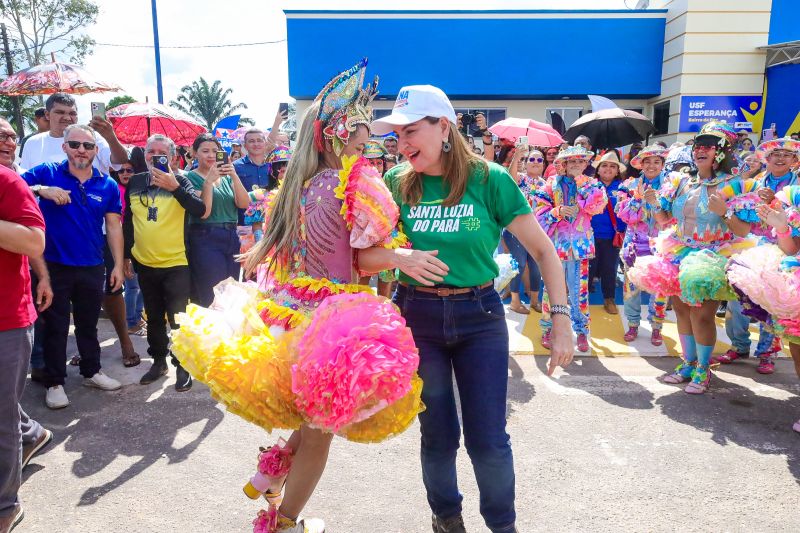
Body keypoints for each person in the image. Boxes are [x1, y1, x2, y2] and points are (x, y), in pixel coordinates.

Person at [174, 59, 427, 533]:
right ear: (336, 137)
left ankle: (268, 475)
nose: (367, 145)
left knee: (315, 415)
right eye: (360, 136)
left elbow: (284, 253)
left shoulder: (297, 186)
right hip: (333, 323)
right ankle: (286, 522)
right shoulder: (356, 181)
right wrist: (401, 259)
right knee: (321, 430)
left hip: (289, 315)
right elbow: (365, 258)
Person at [370, 84, 574, 533]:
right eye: (396, 135)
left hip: (480, 317)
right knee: (438, 437)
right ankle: (447, 518)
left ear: (443, 127)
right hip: (416, 319)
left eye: (410, 132)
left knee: (488, 441)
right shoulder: (394, 183)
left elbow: (544, 251)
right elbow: (364, 256)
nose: (400, 144)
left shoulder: (489, 179)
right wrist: (393, 263)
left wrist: (561, 320)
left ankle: (502, 526)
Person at [628, 121, 756, 394]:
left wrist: (724, 212)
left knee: (702, 316)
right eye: (698, 145)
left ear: (722, 151)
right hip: (679, 251)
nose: (701, 150)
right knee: (682, 312)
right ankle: (688, 362)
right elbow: (666, 221)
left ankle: (703, 368)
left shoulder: (735, 185)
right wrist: (653, 203)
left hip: (711, 257)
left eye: (709, 146)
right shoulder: (681, 181)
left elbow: (744, 230)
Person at [22, 124, 124, 409]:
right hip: (54, 265)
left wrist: (116, 264)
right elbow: (12, 185)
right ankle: (55, 382)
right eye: (76, 144)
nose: (82, 150)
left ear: (95, 151)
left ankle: (92, 371)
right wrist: (41, 189)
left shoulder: (107, 184)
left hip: (92, 265)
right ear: (65, 147)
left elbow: (114, 226)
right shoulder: (46, 172)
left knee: (88, 324)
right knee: (55, 326)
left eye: (88, 146)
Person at [123, 134, 206, 392]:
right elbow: (128, 222)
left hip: (176, 263)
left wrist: (175, 187)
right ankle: (159, 362)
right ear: (144, 155)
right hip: (145, 263)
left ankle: (183, 365)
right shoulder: (135, 182)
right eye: (150, 151)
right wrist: (126, 255)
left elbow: (200, 209)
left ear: (171, 157)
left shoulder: (181, 180)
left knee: (178, 318)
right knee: (154, 316)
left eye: (161, 152)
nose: (154, 156)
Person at [0, 164, 53, 533]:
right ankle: (31, 433)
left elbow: (34, 242)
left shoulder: (6, 180)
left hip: (5, 320)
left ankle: (5, 503)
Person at [717, 137, 799, 371]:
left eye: (786, 154)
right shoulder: (751, 183)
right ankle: (739, 346)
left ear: (794, 160)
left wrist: (775, 204)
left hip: (787, 251)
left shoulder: (798, 188)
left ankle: (766, 353)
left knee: (773, 304)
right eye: (776, 154)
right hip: (751, 248)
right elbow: (739, 216)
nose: (780, 158)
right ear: (767, 159)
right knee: (738, 301)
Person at [727, 186, 800, 432]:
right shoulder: (795, 198)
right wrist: (782, 227)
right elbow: (791, 249)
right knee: (798, 347)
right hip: (796, 281)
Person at [533, 145, 608, 352]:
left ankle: (582, 331)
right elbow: (538, 214)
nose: (576, 165)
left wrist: (581, 183)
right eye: (571, 161)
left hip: (580, 248)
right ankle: (548, 328)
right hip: (555, 247)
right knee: (550, 291)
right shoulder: (551, 185)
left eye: (580, 161)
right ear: (564, 164)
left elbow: (597, 206)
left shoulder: (592, 184)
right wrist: (557, 211)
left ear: (586, 164)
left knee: (579, 292)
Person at [185, 133, 250, 307]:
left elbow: (244, 203)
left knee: (230, 291)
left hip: (231, 236)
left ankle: (227, 332)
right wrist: (208, 182)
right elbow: (204, 211)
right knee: (211, 293)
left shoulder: (227, 177)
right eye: (205, 151)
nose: (211, 155)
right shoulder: (189, 178)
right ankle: (210, 332)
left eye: (215, 151)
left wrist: (234, 175)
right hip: (205, 236)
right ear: (195, 153)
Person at [616, 145, 671, 345]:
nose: (651, 165)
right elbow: (622, 215)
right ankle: (632, 324)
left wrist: (656, 202)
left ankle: (656, 326)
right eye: (647, 161)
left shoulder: (670, 187)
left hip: (661, 244)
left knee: (660, 288)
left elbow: (671, 217)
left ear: (663, 165)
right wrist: (637, 199)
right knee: (631, 285)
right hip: (634, 243)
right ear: (640, 164)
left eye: (657, 161)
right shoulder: (629, 185)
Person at [19, 93, 128, 175]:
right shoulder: (32, 143)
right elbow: (25, 180)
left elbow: (121, 160)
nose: (67, 118)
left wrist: (110, 137)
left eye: (72, 113)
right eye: (60, 112)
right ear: (47, 115)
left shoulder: (93, 137)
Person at [503, 148, 545, 314]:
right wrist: (517, 156)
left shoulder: (546, 184)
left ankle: (535, 301)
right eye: (532, 159)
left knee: (535, 267)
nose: (535, 163)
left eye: (539, 160)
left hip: (536, 232)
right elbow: (509, 177)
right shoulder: (520, 179)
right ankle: (515, 301)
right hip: (516, 230)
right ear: (525, 163)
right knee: (519, 264)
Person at [588, 150, 627, 315]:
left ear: (618, 171)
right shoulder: (588, 185)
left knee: (610, 269)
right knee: (587, 269)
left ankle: (609, 299)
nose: (608, 169)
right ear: (598, 169)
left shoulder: (624, 188)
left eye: (613, 166)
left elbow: (628, 212)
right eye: (604, 165)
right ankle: (582, 299)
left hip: (612, 236)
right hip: (588, 235)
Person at [114, 163, 146, 338]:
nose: (125, 173)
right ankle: (131, 322)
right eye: (121, 171)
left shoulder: (140, 188)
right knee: (132, 286)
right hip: (124, 244)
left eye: (129, 170)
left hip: (142, 242)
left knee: (142, 285)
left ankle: (137, 317)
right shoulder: (115, 190)